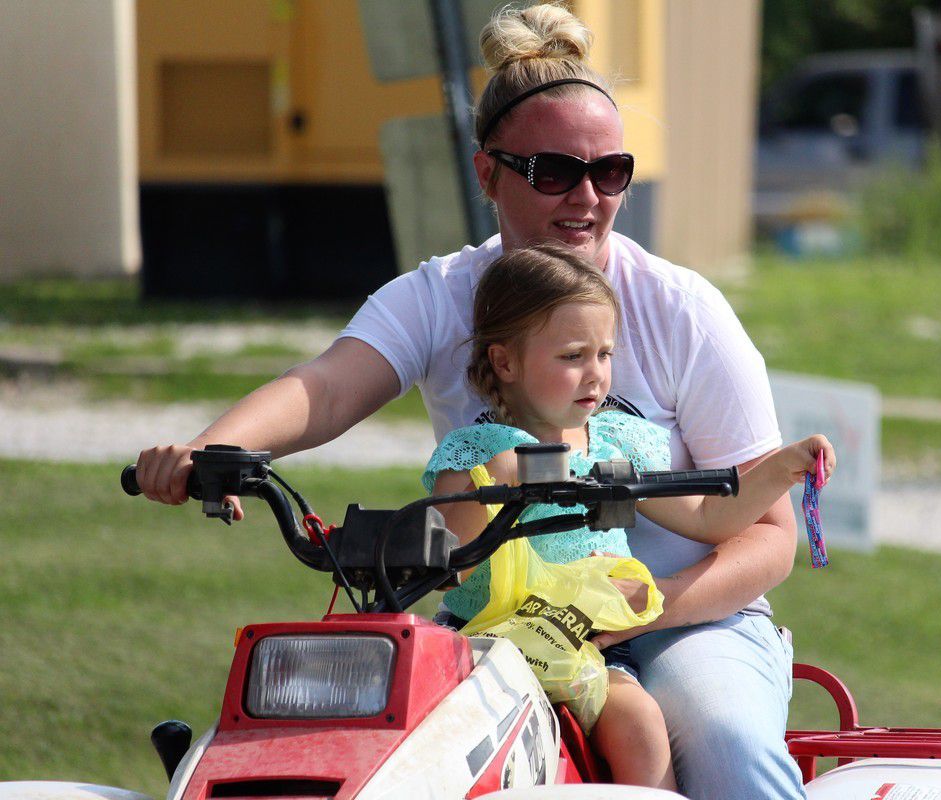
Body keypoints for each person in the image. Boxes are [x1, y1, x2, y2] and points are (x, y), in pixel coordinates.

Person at [136, 5, 808, 797]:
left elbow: (770, 534)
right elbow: (327, 385)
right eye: (553, 171)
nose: (586, 197)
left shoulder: (681, 308)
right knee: (383, 752)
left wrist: (637, 614)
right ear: (487, 173)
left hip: (686, 622)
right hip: (504, 620)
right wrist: (213, 451)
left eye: (611, 171)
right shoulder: (440, 294)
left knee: (731, 753)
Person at [423, 242, 835, 790]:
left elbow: (710, 515)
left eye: (605, 354)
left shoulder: (614, 450)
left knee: (640, 724)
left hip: (584, 646)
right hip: (488, 643)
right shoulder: (479, 451)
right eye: (572, 356)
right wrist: (497, 481)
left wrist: (781, 469)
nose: (595, 374)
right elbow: (456, 559)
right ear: (506, 361)